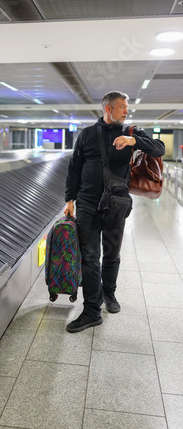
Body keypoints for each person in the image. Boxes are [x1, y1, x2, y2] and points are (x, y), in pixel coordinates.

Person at [64, 91, 165, 333]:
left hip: (116, 204)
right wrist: (69, 199)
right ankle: (91, 310)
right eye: (122, 107)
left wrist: (135, 142)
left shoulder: (130, 132)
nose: (126, 111)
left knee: (111, 255)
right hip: (87, 205)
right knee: (89, 258)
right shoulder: (87, 135)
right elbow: (74, 167)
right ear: (109, 109)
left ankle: (109, 294)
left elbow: (159, 149)